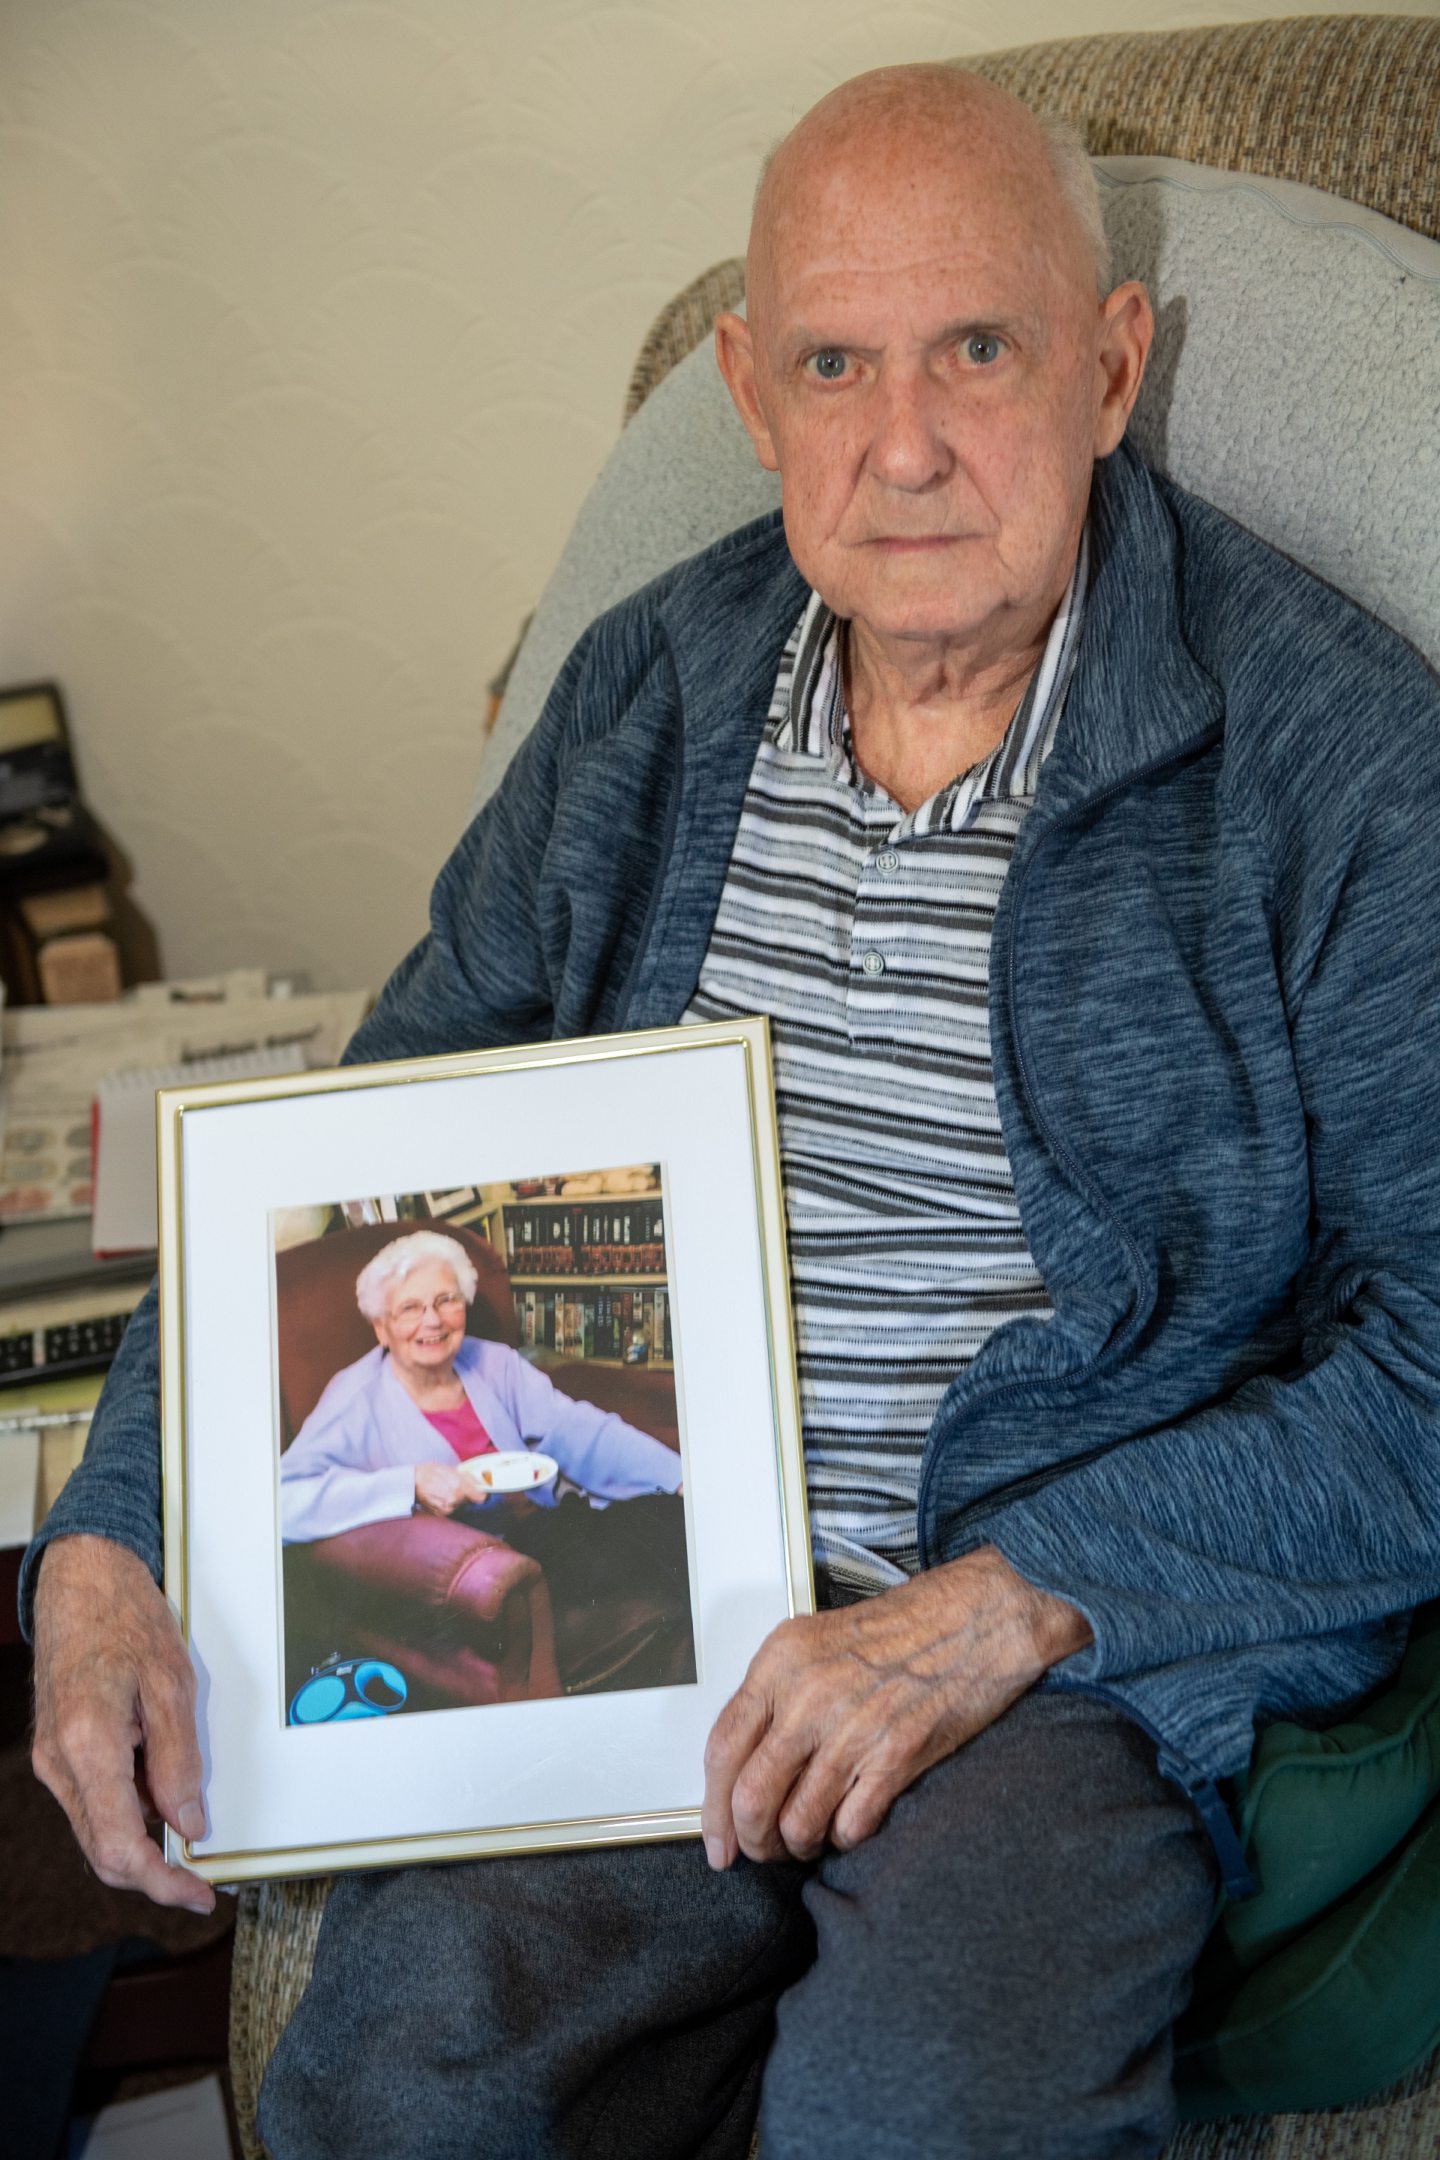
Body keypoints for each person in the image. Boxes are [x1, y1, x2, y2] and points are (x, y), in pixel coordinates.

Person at [24, 62, 1440, 2159]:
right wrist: (119, 1528)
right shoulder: (644, 698)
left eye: (980, 347)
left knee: (928, 2113)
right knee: (411, 2091)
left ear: (1113, 364)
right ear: (747, 392)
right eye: (834, 364)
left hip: (1048, 1658)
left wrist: (1017, 1596)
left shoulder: (1340, 757)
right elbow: (372, 1138)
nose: (906, 444)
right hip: (612, 1620)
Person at [279, 1228, 683, 1542]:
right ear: (381, 1329)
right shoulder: (356, 1399)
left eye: (445, 1300)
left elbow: (576, 1429)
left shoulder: (492, 1361)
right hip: (485, 1562)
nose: (433, 1321)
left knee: (676, 1521)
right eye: (410, 1308)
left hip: (554, 1521)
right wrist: (409, 1484)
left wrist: (676, 1477)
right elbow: (283, 1503)